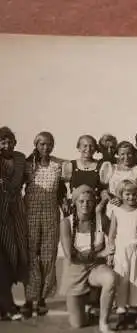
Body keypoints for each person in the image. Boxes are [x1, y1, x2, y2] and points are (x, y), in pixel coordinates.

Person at [59, 185, 116, 333]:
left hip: (95, 268)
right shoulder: (66, 223)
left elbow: (115, 238)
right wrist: (100, 253)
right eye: (81, 201)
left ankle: (104, 322)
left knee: (110, 278)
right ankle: (89, 306)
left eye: (89, 201)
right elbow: (70, 256)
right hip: (75, 271)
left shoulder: (101, 219)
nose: (85, 205)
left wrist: (111, 253)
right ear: (75, 202)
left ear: (94, 203)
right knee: (78, 324)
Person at [22, 132, 66, 317]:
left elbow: (63, 189)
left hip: (50, 212)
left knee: (48, 255)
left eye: (49, 144)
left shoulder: (59, 165)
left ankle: (42, 298)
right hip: (30, 212)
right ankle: (29, 299)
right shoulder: (27, 164)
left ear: (53, 145)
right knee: (31, 254)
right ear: (36, 144)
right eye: (41, 144)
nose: (45, 148)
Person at [108, 179, 137, 330]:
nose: (131, 197)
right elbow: (112, 233)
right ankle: (121, 317)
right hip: (121, 252)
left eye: (134, 194)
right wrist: (110, 252)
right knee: (122, 282)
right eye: (127, 194)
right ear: (121, 194)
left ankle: (132, 318)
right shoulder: (117, 211)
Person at [0, 126, 28, 320]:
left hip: (17, 208)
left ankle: (10, 303)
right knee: (4, 257)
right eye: (3, 141)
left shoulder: (20, 158)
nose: (7, 145)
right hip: (0, 209)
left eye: (10, 141)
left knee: (19, 253)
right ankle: (6, 305)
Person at [101, 141, 137, 215]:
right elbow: (106, 191)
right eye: (122, 154)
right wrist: (106, 194)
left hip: (133, 210)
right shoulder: (112, 168)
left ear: (134, 154)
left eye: (129, 154)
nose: (126, 157)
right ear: (117, 154)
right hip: (113, 209)